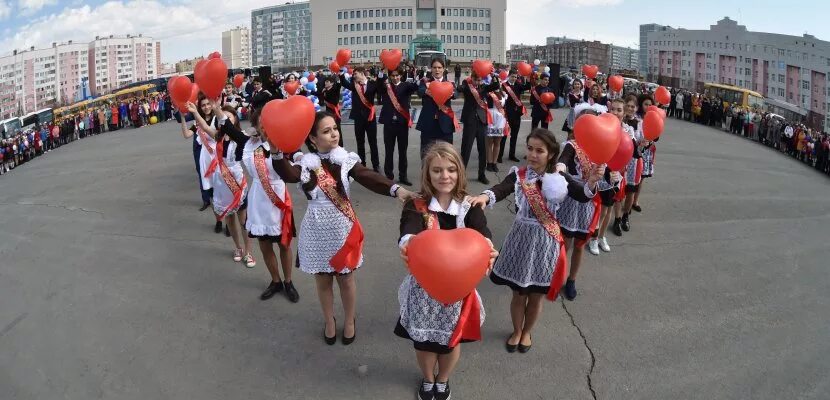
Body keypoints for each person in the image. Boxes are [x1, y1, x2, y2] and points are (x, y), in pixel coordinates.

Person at [272, 112, 416, 346]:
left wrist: (397, 190)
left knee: (346, 279)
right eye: (326, 131)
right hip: (317, 230)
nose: (334, 134)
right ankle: (329, 320)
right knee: (323, 280)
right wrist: (277, 152)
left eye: (335, 128)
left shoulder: (346, 160)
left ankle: (349, 320)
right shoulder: (306, 164)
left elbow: (368, 177)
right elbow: (288, 174)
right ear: (313, 139)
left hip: (342, 230)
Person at [470, 128, 601, 353]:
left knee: (536, 294)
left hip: (546, 243)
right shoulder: (521, 175)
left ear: (551, 154)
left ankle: (527, 331)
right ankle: (516, 330)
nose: (532, 155)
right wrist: (484, 196)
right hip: (520, 239)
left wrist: (592, 182)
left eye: (539, 150)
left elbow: (582, 194)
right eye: (530, 149)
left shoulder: (560, 177)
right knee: (518, 293)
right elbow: (502, 188)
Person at [397, 142, 497, 400]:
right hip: (423, 290)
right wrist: (408, 244)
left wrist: (488, 249)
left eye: (451, 170)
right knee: (424, 342)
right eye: (437, 170)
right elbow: (408, 232)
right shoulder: (415, 205)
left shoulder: (469, 206)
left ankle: (443, 380)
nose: (445, 176)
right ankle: (428, 379)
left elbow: (482, 234)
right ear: (427, 174)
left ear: (460, 172)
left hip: (458, 292)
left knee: (451, 341)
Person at [188, 100, 256, 268]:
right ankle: (238, 248)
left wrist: (217, 108)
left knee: (243, 219)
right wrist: (195, 112)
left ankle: (248, 251)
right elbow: (204, 126)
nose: (224, 119)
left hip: (236, 182)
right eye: (222, 117)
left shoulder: (241, 137)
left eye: (228, 117)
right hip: (221, 183)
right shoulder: (218, 137)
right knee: (230, 220)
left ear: (234, 120)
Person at [556, 103, 610, 300]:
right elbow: (563, 160)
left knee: (580, 244)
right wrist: (561, 167)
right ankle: (557, 275)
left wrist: (611, 178)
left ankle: (571, 279)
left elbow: (606, 177)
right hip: (570, 199)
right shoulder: (571, 145)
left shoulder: (601, 147)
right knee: (565, 242)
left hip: (588, 202)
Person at [377, 66, 419, 186]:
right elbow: (379, 86)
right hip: (389, 124)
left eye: (397, 75)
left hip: (402, 124)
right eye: (393, 76)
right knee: (389, 150)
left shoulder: (406, 86)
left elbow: (415, 86)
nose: (395, 78)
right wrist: (381, 71)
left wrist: (417, 75)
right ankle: (389, 176)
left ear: (401, 75)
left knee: (402, 151)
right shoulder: (386, 87)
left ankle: (403, 176)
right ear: (390, 76)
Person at [460, 71, 500, 184]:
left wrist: (493, 75)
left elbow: (496, 85)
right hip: (470, 121)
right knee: (466, 149)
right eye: (476, 80)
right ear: (471, 78)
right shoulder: (467, 85)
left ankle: (481, 174)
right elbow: (461, 88)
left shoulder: (484, 87)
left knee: (482, 150)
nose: (477, 82)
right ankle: (461, 175)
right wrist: (461, 86)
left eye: (479, 80)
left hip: (482, 121)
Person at [178, 95, 216, 214]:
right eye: (203, 105)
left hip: (218, 156)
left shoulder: (217, 119)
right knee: (208, 184)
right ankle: (218, 219)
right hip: (205, 157)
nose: (206, 107)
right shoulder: (197, 123)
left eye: (208, 104)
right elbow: (187, 134)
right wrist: (183, 118)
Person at [340, 67, 380, 172]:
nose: (354, 76)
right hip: (358, 118)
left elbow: (381, 89)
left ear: (362, 73)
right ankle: (362, 164)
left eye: (355, 73)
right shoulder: (354, 85)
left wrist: (380, 76)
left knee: (373, 142)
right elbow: (344, 83)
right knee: (360, 142)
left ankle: (376, 165)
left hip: (370, 118)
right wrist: (341, 73)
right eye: (353, 74)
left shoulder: (372, 84)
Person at [416, 58, 458, 158]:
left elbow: (456, 94)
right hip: (428, 123)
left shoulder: (449, 84)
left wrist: (452, 93)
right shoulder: (425, 82)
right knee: (426, 155)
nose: (437, 70)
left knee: (447, 155)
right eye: (434, 67)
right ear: (431, 69)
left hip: (445, 124)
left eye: (439, 67)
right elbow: (420, 91)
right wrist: (426, 91)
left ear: (444, 69)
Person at [498, 69, 530, 163]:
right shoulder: (503, 86)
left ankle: (512, 155)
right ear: (509, 76)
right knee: (503, 136)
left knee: (514, 135)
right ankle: (499, 155)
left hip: (516, 114)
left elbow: (527, 86)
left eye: (516, 77)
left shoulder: (518, 85)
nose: (514, 78)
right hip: (506, 114)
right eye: (512, 76)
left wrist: (527, 78)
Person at [316, 75, 344, 147]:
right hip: (328, 111)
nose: (326, 83)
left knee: (337, 129)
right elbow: (318, 94)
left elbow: (338, 85)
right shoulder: (324, 90)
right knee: (329, 128)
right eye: (325, 82)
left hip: (335, 111)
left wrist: (338, 76)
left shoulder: (335, 89)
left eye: (327, 82)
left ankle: (340, 146)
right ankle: (332, 144)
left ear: (331, 83)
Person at [485, 89, 508, 173]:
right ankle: (489, 163)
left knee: (497, 142)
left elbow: (505, 107)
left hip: (500, 119)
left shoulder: (504, 94)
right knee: (489, 142)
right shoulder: (488, 93)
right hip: (490, 118)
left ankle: (495, 163)